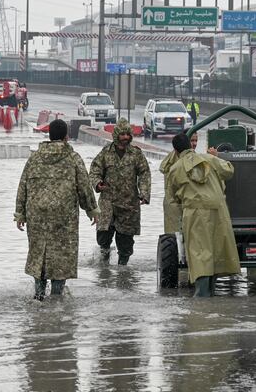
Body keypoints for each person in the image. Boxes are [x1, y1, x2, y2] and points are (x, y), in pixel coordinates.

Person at [15, 119, 100, 300]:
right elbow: (84, 186)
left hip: (36, 216)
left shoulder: (35, 158)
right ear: (66, 137)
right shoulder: (72, 158)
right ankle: (56, 298)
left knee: (39, 253)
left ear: (49, 134)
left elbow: (23, 185)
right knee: (61, 256)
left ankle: (38, 296)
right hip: (64, 218)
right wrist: (92, 210)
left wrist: (20, 213)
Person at [166, 133, 240, 297]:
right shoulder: (209, 159)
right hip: (219, 210)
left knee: (199, 252)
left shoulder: (175, 169)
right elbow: (229, 171)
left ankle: (201, 296)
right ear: (190, 145)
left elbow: (173, 197)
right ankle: (211, 293)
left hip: (194, 213)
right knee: (217, 249)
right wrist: (217, 157)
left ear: (176, 151)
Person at [89, 118, 151, 266]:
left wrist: (144, 192)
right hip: (107, 203)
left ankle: (122, 271)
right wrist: (98, 183)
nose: (125, 137)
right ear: (116, 135)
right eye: (122, 134)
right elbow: (94, 171)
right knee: (103, 238)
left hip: (128, 205)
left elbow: (144, 174)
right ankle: (104, 270)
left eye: (128, 134)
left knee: (125, 243)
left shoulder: (136, 154)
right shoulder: (105, 153)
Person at [159, 130, 199, 266]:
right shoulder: (176, 158)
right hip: (175, 204)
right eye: (191, 141)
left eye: (196, 141)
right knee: (174, 239)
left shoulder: (191, 157)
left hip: (187, 204)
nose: (194, 144)